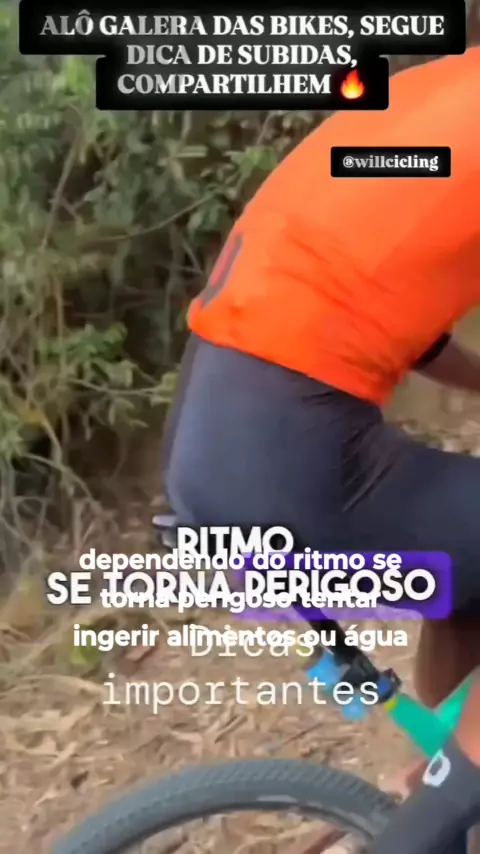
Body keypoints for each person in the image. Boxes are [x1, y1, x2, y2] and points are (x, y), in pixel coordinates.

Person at [163, 48, 480, 853]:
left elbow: (384, 293)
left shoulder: (435, 97)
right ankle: (435, 819)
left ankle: (445, 781)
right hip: (289, 461)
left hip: (209, 446)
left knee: (467, 573)